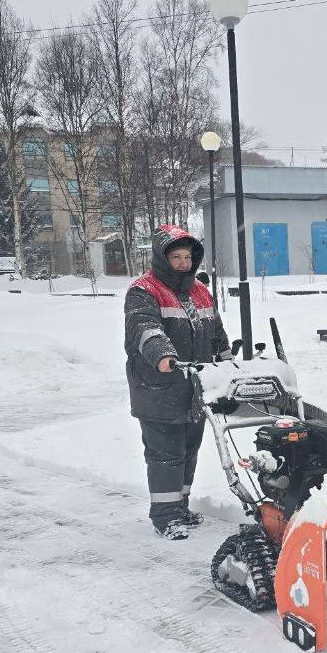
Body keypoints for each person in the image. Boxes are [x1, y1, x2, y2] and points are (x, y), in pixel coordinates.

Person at [124, 225, 232, 540]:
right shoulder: (144, 290)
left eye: (188, 256)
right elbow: (145, 328)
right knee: (165, 455)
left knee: (188, 451)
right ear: (162, 258)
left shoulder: (199, 290)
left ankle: (180, 506)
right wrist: (164, 356)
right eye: (176, 257)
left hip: (194, 389)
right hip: (158, 389)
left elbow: (216, 330)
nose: (183, 262)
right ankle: (165, 515)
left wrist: (226, 360)